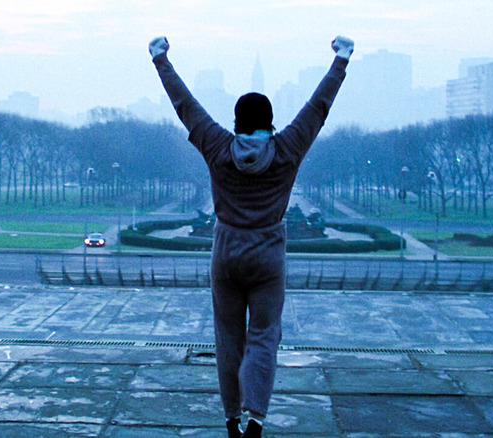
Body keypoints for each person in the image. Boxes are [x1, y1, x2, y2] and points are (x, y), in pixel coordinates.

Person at [149, 35, 353, 438]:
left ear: (238, 121)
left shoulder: (218, 146)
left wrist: (161, 61)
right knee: (263, 339)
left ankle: (230, 421)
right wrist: (340, 62)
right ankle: (255, 419)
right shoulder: (287, 148)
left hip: (225, 253)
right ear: (270, 121)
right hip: (268, 256)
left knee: (228, 339)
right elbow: (318, 108)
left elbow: (185, 107)